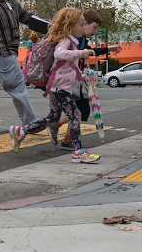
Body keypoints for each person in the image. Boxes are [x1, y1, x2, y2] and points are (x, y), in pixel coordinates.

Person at [9, 8, 101, 164]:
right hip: (59, 87)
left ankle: (21, 131)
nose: (83, 27)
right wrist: (80, 53)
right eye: (81, 24)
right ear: (71, 26)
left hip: (56, 86)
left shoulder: (72, 41)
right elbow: (59, 54)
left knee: (52, 117)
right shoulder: (66, 40)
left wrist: (82, 76)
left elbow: (69, 64)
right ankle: (78, 151)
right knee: (76, 114)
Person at [48, 9, 121, 150]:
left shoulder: (81, 40)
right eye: (94, 27)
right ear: (84, 23)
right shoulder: (75, 39)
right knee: (78, 110)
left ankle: (66, 137)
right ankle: (61, 132)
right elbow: (65, 53)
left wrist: (108, 48)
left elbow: (91, 51)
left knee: (79, 110)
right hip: (71, 79)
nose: (95, 30)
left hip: (76, 78)